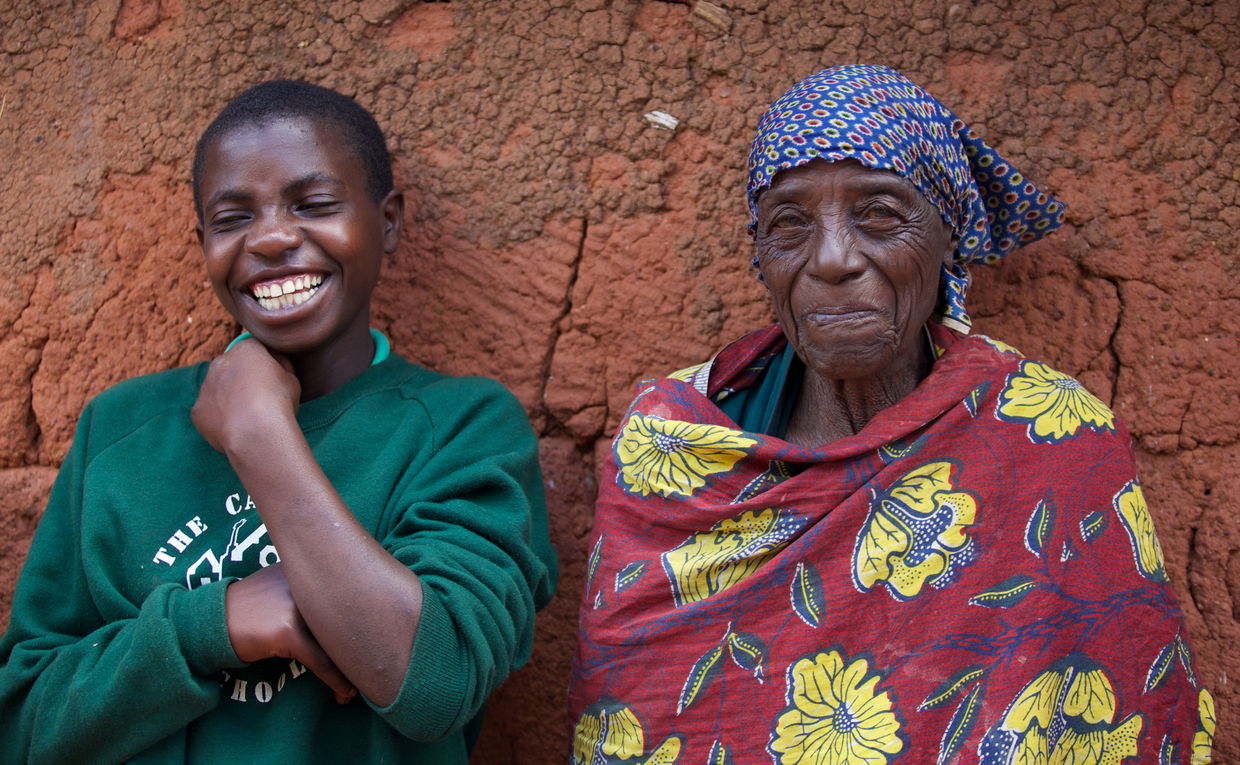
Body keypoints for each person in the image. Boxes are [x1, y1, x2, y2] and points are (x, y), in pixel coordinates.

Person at [568, 65, 1213, 764]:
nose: (834, 257)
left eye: (879, 213)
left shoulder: (1051, 438)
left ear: (946, 239)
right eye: (790, 222)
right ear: (761, 255)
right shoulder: (672, 444)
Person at [0, 80, 557, 764]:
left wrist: (262, 436)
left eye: (314, 204)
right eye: (233, 219)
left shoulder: (462, 428)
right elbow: (24, 723)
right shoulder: (120, 432)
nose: (270, 237)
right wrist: (216, 623)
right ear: (203, 242)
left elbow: (434, 683)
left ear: (387, 221)